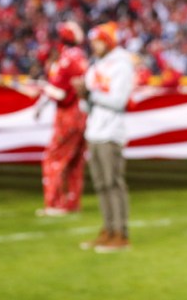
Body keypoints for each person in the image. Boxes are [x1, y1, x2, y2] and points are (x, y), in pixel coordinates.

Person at [74, 22, 135, 253]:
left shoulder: (122, 65)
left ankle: (121, 233)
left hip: (112, 131)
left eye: (98, 41)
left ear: (108, 41)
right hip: (95, 130)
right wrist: (84, 96)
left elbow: (118, 101)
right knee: (101, 184)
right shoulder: (96, 65)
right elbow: (88, 106)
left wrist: (91, 94)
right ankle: (108, 229)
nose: (95, 46)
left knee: (113, 183)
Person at [36, 21, 90, 217]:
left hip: (68, 115)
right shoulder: (82, 57)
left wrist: (42, 94)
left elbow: (58, 92)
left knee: (54, 158)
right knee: (75, 161)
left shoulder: (66, 60)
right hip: (83, 114)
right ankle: (72, 202)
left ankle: (55, 203)